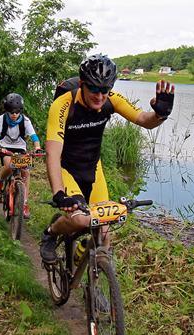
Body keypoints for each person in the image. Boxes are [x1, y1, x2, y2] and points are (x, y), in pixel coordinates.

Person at [39, 54, 175, 263]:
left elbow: (142, 119)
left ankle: (93, 287)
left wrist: (160, 115)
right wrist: (59, 194)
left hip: (93, 168)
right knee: (82, 220)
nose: (100, 96)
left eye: (105, 89)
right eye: (94, 88)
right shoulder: (63, 104)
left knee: (104, 232)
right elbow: (53, 153)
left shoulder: (111, 99)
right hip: (66, 168)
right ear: (83, 84)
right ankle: (50, 233)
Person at [0, 93, 42, 218]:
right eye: (11, 111)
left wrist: (37, 148)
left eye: (17, 111)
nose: (14, 114)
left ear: (20, 111)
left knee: (26, 172)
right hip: (5, 147)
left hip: (21, 148)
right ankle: (0, 182)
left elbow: (34, 137)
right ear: (7, 110)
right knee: (9, 165)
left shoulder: (26, 120)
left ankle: (24, 203)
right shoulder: (2, 119)